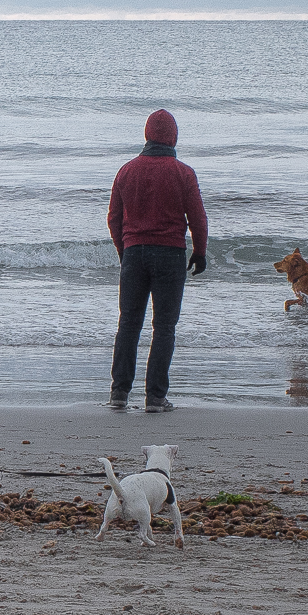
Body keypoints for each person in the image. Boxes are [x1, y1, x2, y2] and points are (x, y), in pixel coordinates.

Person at [105, 109, 208, 412]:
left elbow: (113, 218)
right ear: (173, 136)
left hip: (134, 254)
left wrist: (125, 251)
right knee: (164, 327)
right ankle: (155, 397)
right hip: (170, 254)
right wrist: (199, 252)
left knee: (129, 323)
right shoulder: (183, 172)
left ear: (147, 134)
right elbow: (198, 219)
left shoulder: (127, 170)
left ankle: (119, 393)